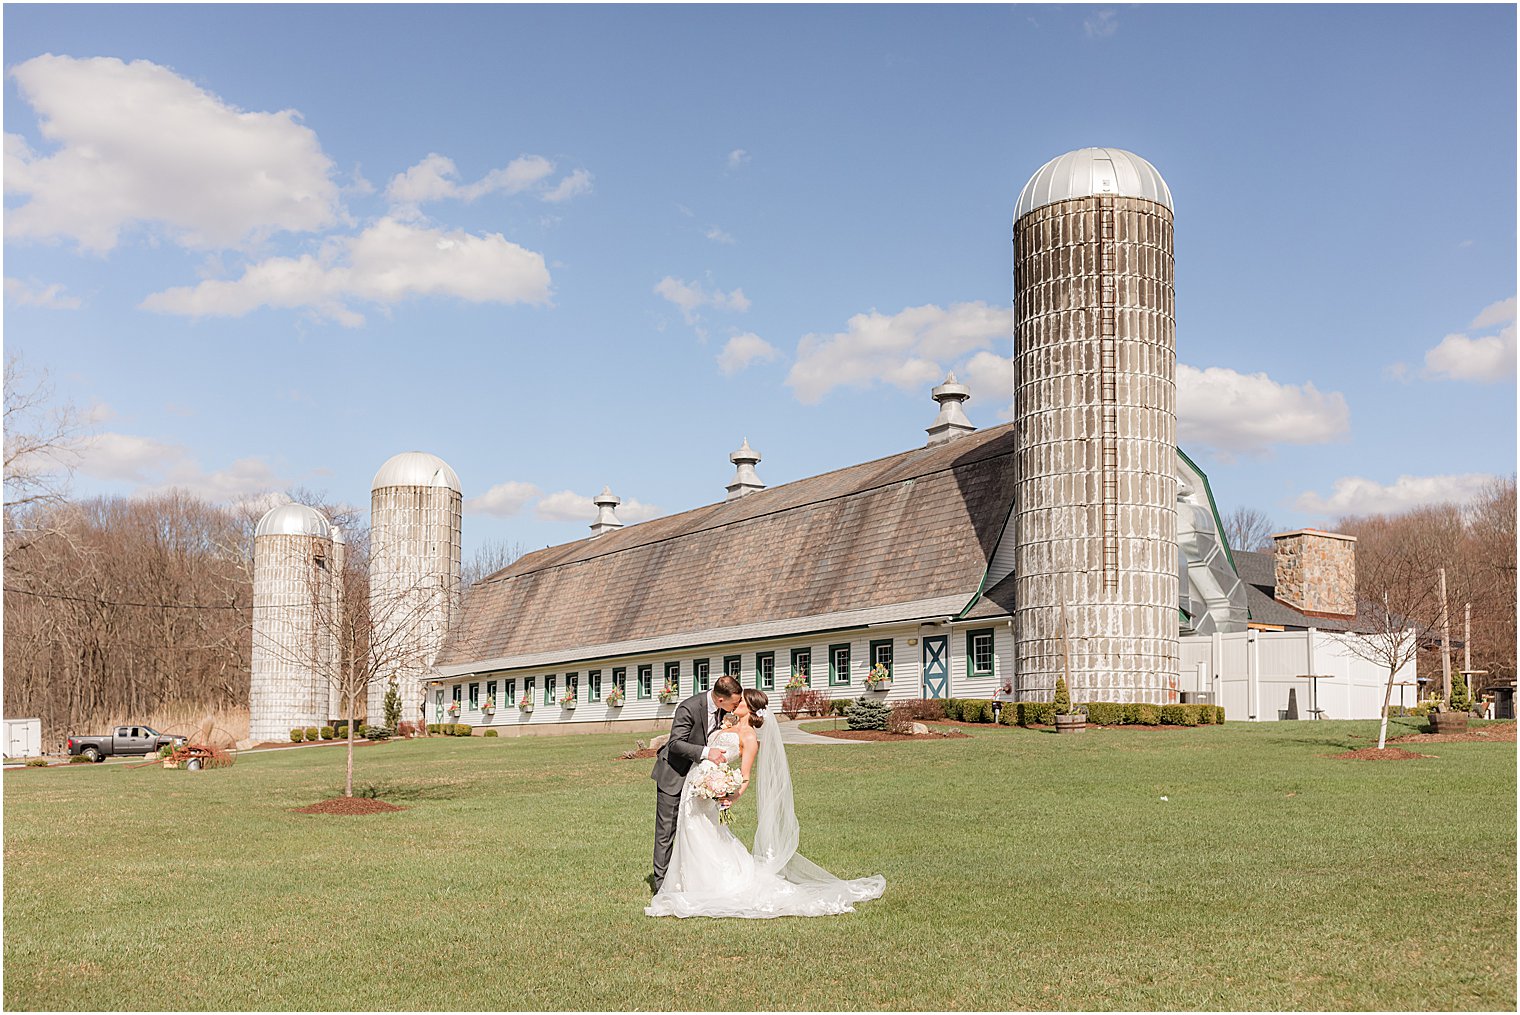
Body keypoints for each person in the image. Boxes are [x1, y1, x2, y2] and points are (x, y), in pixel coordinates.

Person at [646, 688, 886, 919]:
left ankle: (706, 884)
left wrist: (731, 794)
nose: (735, 704)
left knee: (703, 833)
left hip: (707, 790)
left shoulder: (749, 737)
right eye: (735, 700)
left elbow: (745, 775)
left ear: (748, 708)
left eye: (740, 702)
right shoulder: (725, 723)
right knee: (691, 832)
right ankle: (683, 880)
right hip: (695, 783)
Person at [649, 674, 744, 893]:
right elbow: (675, 744)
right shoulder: (688, 708)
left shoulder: (723, 711)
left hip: (698, 780)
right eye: (734, 702)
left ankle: (688, 876)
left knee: (694, 828)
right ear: (721, 700)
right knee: (667, 829)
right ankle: (661, 885)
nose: (736, 706)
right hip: (674, 774)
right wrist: (706, 752)